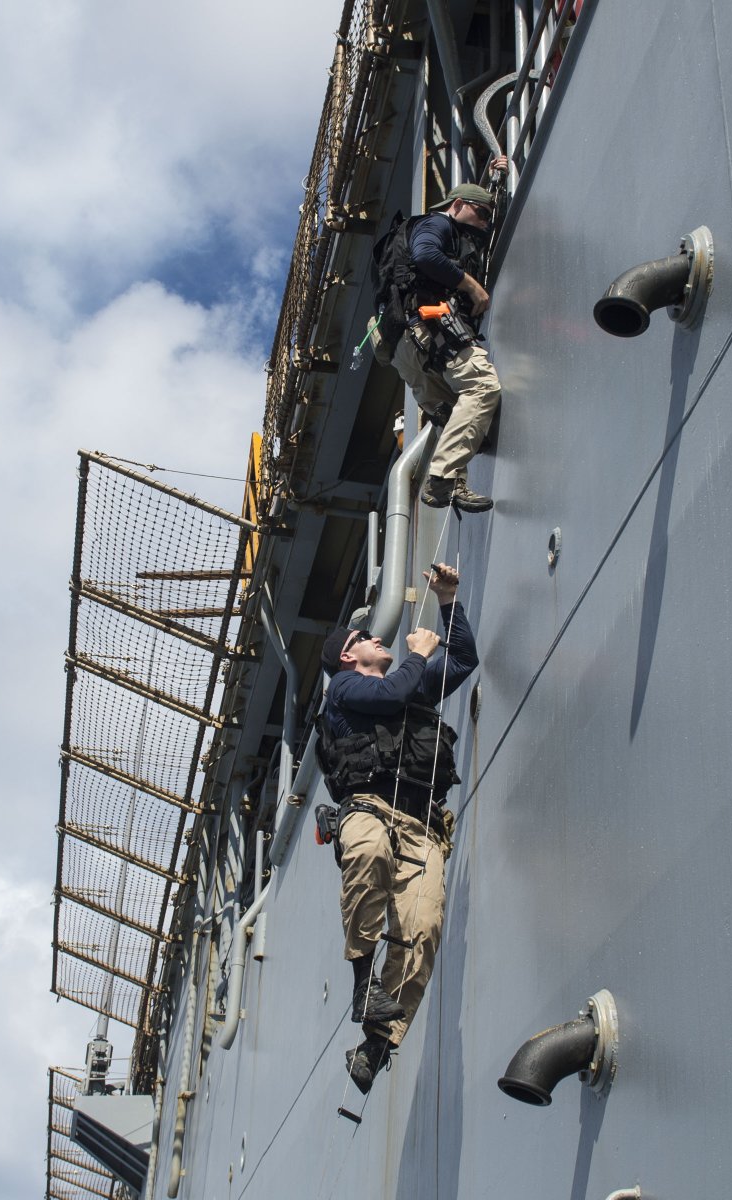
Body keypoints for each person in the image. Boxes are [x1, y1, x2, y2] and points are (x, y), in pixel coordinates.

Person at [317, 564, 478, 1094]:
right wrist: (417, 654)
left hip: (424, 826)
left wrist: (449, 601)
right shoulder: (343, 690)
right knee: (367, 853)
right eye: (366, 638)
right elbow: (388, 696)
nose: (377, 638)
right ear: (348, 655)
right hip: (369, 808)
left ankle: (376, 1045)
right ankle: (364, 983)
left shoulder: (407, 683)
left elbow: (463, 661)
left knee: (423, 932)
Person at [375, 159, 509, 513]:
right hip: (430, 325)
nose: (484, 222)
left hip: (404, 347)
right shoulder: (437, 223)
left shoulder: (449, 225)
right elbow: (426, 255)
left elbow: (479, 201)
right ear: (458, 205)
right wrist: (472, 286)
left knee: (452, 416)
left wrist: (497, 172)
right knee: (481, 387)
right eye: (480, 213)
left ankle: (450, 485)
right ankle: (443, 477)